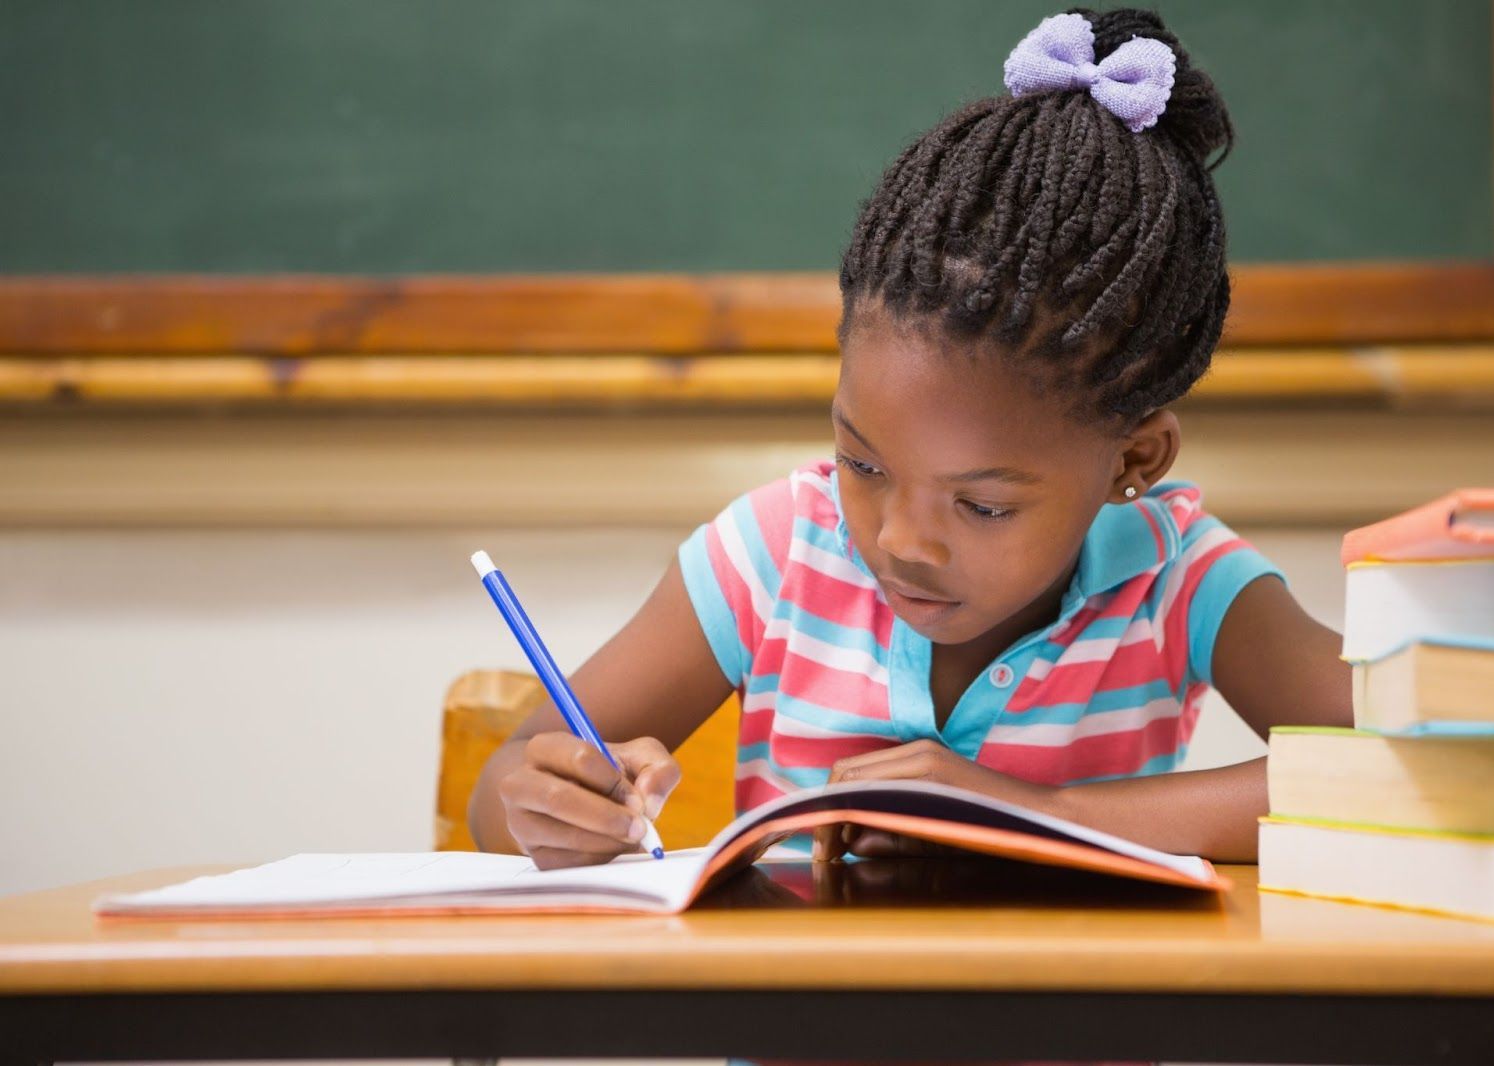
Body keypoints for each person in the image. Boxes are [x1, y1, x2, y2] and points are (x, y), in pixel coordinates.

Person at [468, 7, 1352, 871]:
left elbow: (1409, 770)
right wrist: (547, 802)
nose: (900, 540)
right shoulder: (774, 557)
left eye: (983, 503)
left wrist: (1039, 814)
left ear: (1135, 461)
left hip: (1074, 1017)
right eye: (863, 463)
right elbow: (503, 789)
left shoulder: (1178, 581)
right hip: (802, 1016)